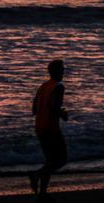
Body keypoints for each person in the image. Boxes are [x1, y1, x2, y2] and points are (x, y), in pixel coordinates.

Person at [29, 59, 68, 199]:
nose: (64, 72)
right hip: (51, 128)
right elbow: (54, 106)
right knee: (62, 160)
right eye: (62, 69)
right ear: (57, 71)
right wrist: (63, 114)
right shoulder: (58, 86)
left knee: (50, 160)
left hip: (39, 127)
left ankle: (43, 192)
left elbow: (34, 109)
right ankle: (36, 175)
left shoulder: (43, 86)